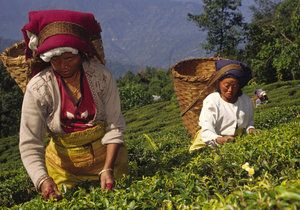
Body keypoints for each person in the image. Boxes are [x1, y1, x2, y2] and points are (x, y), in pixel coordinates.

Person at [19, 10, 128, 200]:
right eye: (55, 60)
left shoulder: (101, 76)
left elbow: (114, 125)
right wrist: (43, 180)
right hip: (63, 168)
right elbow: (30, 143)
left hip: (109, 161)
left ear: (81, 54)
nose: (63, 65)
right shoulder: (38, 88)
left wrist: (107, 168)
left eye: (69, 58)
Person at [189, 59, 255, 152]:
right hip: (207, 145)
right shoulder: (212, 101)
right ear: (219, 83)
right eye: (227, 85)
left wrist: (251, 130)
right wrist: (220, 139)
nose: (230, 90)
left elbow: (249, 123)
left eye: (235, 86)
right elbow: (206, 130)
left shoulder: (246, 101)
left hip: (232, 146)